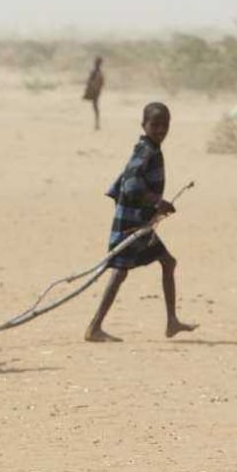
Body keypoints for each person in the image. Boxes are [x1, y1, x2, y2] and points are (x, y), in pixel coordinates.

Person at [85, 102, 196, 343]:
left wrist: (155, 208)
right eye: (155, 125)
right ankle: (94, 327)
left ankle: (172, 321)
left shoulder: (151, 149)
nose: (160, 130)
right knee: (120, 271)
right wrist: (157, 202)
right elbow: (130, 185)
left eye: (164, 125)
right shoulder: (146, 151)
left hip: (139, 222)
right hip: (131, 223)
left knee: (167, 262)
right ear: (143, 125)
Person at [83, 56, 105, 130]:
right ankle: (97, 123)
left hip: (95, 91)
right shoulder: (98, 72)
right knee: (95, 106)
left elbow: (89, 81)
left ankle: (97, 123)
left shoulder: (96, 72)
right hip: (96, 91)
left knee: (95, 106)